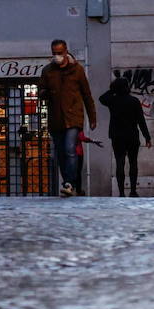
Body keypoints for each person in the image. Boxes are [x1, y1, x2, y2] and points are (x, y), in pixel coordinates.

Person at [38, 39, 96, 197]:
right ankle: (68, 182)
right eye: (54, 53)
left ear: (65, 52)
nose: (56, 56)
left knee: (70, 149)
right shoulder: (48, 71)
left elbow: (86, 94)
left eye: (59, 53)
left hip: (73, 117)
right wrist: (44, 93)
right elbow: (41, 90)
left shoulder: (77, 70)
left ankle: (69, 183)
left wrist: (92, 117)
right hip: (56, 118)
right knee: (61, 152)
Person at [99, 76, 152, 197]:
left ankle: (121, 192)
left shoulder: (113, 100)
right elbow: (141, 121)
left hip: (117, 136)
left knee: (119, 162)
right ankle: (133, 191)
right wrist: (147, 137)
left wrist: (112, 90)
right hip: (132, 136)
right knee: (133, 163)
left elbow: (101, 98)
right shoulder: (134, 101)